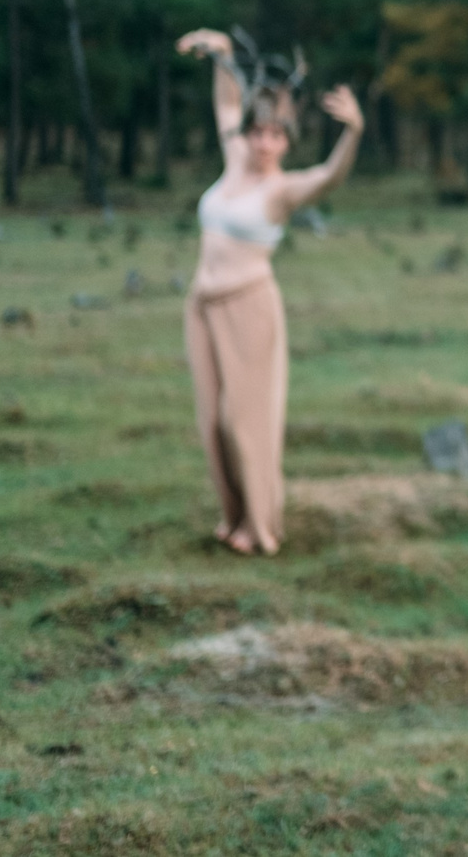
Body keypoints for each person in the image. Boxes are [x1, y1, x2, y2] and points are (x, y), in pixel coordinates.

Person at [173, 28, 364, 555]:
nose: (263, 143)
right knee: (211, 420)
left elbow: (329, 177)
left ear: (287, 139)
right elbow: (227, 101)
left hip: (249, 306)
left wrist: (353, 132)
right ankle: (232, 517)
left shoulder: (282, 190)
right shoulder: (234, 161)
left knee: (244, 421)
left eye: (275, 136)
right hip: (202, 305)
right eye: (257, 133)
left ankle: (261, 527)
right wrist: (222, 53)